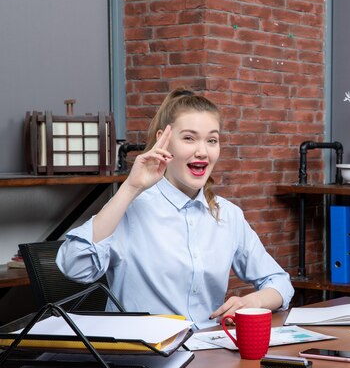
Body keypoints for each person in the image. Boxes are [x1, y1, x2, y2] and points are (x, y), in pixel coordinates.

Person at [56, 88, 294, 329]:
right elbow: (75, 267)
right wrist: (130, 188)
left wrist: (254, 301)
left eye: (212, 140)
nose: (202, 151)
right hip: (143, 359)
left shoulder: (227, 215)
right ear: (165, 141)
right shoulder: (131, 208)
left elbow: (280, 283)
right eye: (189, 138)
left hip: (207, 351)